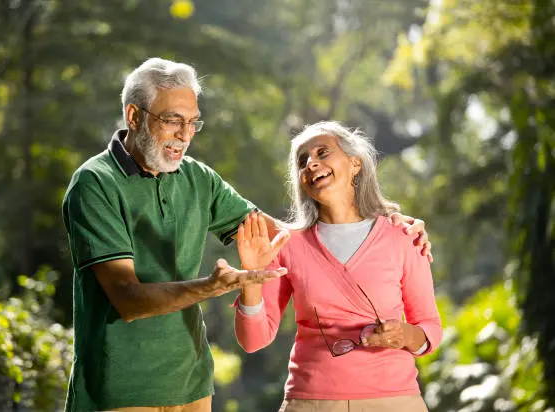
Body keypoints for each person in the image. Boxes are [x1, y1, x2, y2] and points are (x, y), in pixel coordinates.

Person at [62, 58, 431, 412]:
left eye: (193, 123)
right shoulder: (95, 184)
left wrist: (387, 226)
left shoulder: (197, 178)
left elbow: (284, 239)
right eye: (173, 121)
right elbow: (127, 299)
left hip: (191, 385)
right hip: (119, 387)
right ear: (134, 116)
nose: (185, 135)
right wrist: (213, 285)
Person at [234, 121, 442, 412]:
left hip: (393, 400)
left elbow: (429, 326)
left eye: (322, 153)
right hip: (310, 401)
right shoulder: (287, 245)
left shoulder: (404, 236)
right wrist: (251, 279)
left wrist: (403, 335)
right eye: (302, 161)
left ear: (355, 164)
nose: (311, 164)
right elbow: (253, 340)